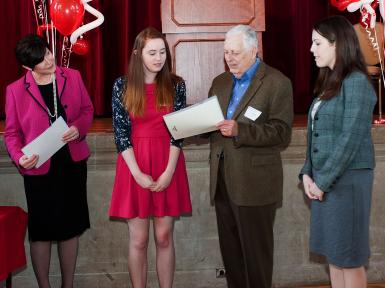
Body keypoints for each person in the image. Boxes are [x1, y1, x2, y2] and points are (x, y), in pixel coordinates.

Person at [4, 34, 94, 288]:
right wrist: (20, 157)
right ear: (27, 67)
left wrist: (78, 128)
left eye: (48, 52)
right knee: (41, 232)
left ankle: (68, 285)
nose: (49, 59)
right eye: (41, 60)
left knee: (70, 227)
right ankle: (44, 286)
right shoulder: (15, 90)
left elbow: (87, 110)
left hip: (72, 164)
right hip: (39, 169)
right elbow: (12, 133)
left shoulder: (72, 77)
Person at [208, 24, 293, 288]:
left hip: (255, 185)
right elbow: (212, 123)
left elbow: (281, 132)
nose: (229, 58)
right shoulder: (220, 82)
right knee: (232, 257)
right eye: (226, 52)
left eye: (235, 52)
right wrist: (191, 126)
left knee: (256, 259)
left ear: (254, 51)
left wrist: (240, 131)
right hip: (222, 182)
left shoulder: (277, 83)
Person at [109, 27, 192, 288]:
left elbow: (178, 133)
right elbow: (121, 134)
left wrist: (168, 172)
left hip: (169, 161)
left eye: (162, 52)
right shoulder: (122, 85)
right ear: (138, 53)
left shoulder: (176, 85)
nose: (159, 58)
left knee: (165, 236)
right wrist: (137, 173)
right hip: (134, 164)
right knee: (139, 240)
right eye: (152, 53)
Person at [299, 15, 377, 288]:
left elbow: (350, 140)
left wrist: (321, 181)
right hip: (326, 181)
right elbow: (315, 133)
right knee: (334, 255)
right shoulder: (329, 82)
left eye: (317, 43)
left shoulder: (356, 82)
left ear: (337, 44)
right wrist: (307, 173)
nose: (312, 49)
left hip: (348, 182)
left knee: (349, 258)